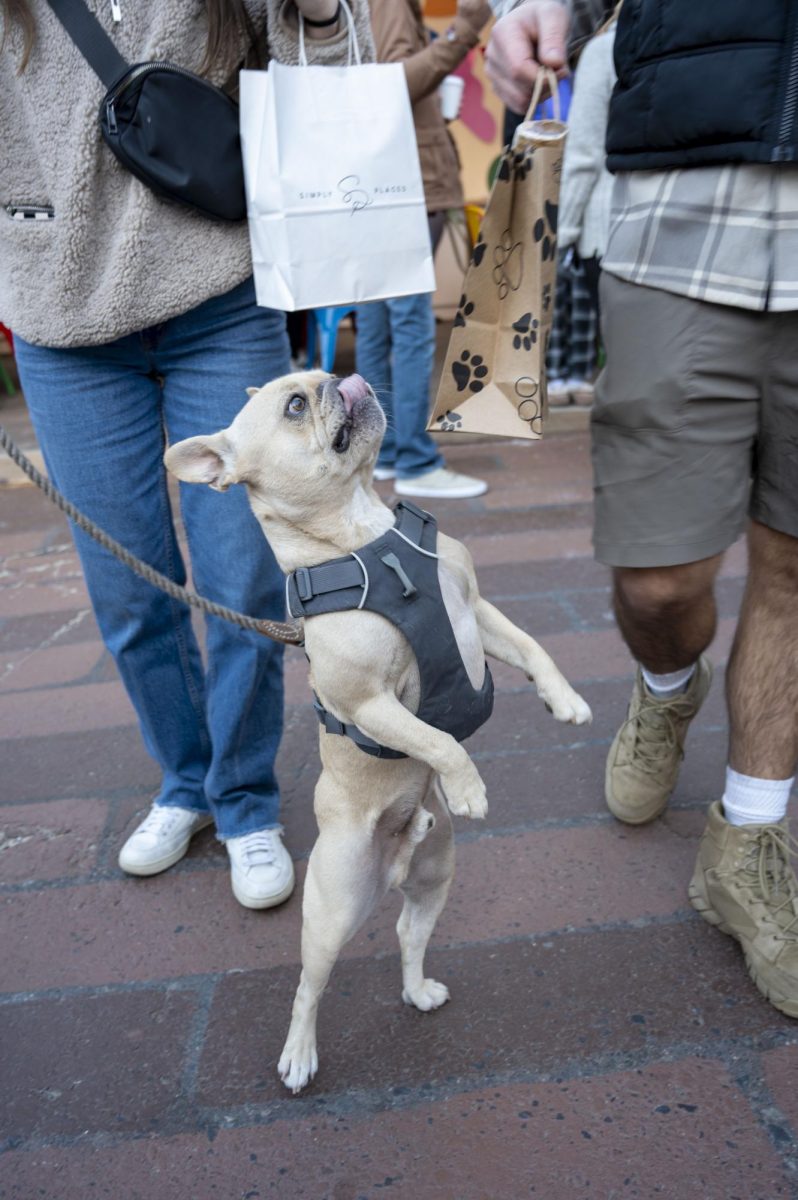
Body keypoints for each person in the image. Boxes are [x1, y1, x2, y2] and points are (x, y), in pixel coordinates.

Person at [0, 0, 374, 909]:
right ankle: (185, 780)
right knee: (127, 584)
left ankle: (243, 798)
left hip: (220, 297)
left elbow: (322, 87)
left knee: (240, 576)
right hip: (62, 318)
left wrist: (320, 12)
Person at [486, 0, 798, 1018]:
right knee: (659, 578)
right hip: (680, 201)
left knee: (792, 564)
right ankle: (668, 682)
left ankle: (747, 842)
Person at [355, 0, 492, 501]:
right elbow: (397, 83)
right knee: (409, 325)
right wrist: (464, 31)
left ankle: (385, 451)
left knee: (378, 323)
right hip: (404, 183)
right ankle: (413, 456)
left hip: (373, 183)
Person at [547, 6, 617, 405]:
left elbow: (583, 158)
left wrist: (560, 237)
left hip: (602, 232)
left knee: (625, 352)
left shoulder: (603, 51)